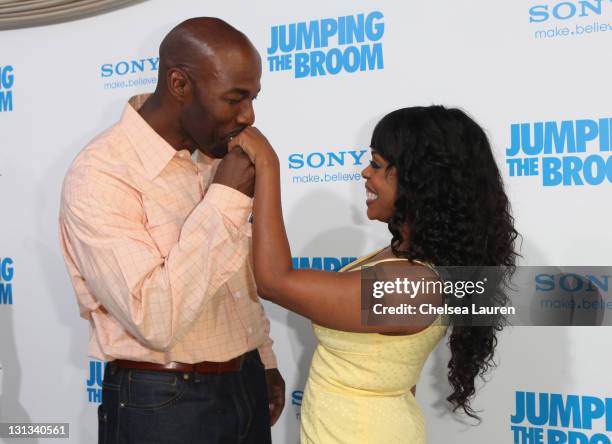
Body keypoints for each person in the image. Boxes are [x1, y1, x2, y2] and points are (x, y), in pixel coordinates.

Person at [231, 106, 519, 443]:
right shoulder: (405, 259)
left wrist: (267, 163)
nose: (366, 172)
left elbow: (274, 281)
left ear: (419, 181)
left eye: (378, 165)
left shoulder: (411, 286)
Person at [58, 18, 284, 444]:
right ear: (179, 85)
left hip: (246, 381)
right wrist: (225, 200)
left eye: (253, 97)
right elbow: (154, 319)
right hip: (162, 401)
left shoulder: (217, 154)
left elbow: (237, 283)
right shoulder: (101, 173)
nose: (249, 116)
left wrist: (264, 359)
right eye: (235, 98)